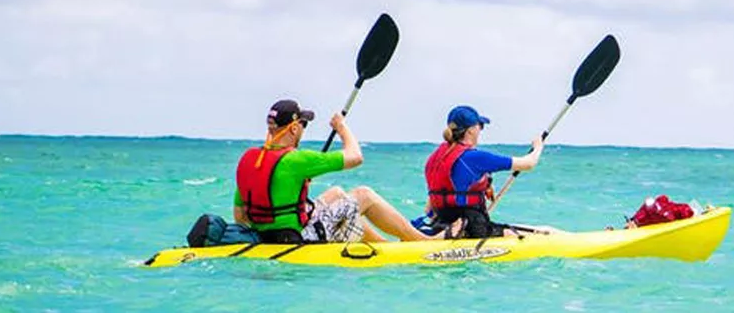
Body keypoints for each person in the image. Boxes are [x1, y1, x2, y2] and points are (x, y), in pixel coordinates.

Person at [233, 99, 446, 244]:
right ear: (294, 128)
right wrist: (342, 128)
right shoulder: (297, 159)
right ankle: (421, 241)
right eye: (303, 125)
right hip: (297, 237)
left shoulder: (249, 158)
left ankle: (383, 245)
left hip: (264, 236)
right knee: (363, 195)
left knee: (336, 193)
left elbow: (240, 216)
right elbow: (355, 156)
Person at [422, 105, 563, 238]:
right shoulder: (475, 157)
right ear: (471, 130)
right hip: (473, 228)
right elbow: (529, 163)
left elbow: (430, 207)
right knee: (547, 231)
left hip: (441, 226)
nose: (481, 131)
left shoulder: (434, 159)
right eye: (480, 126)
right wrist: (538, 146)